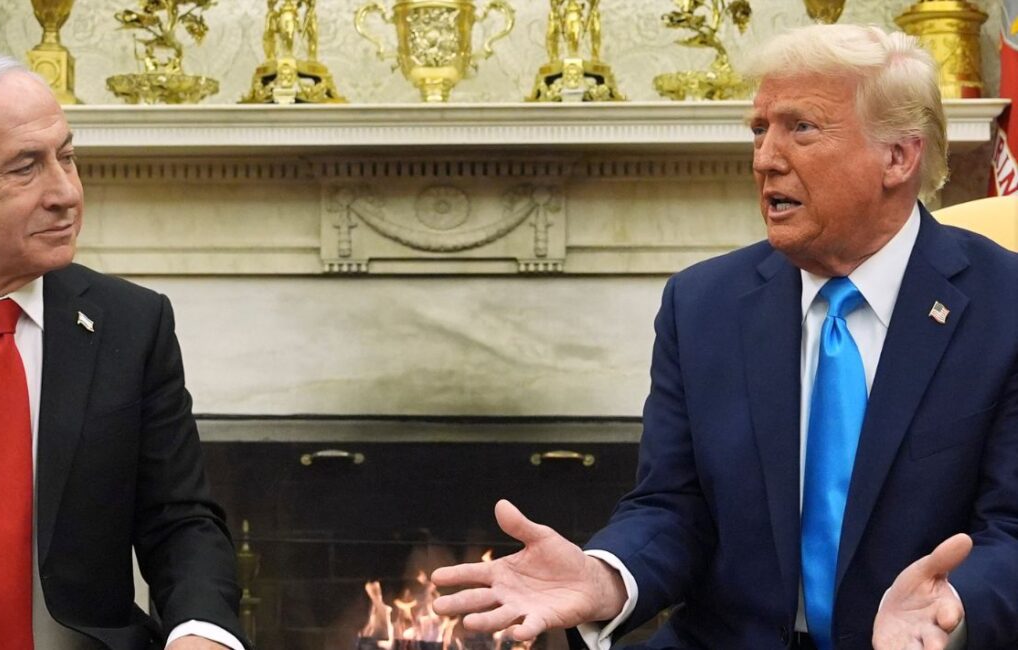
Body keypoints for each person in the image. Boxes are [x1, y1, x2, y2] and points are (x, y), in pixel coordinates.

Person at [431, 23, 1018, 650]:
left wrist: (953, 608)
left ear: (898, 157)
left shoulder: (1003, 305)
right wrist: (607, 577)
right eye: (760, 129)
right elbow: (673, 506)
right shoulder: (702, 304)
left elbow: (1011, 528)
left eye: (801, 128)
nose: (766, 158)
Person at [0, 52, 250, 649]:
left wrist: (202, 631)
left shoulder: (131, 324)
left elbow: (179, 520)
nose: (66, 193)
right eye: (25, 167)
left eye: (67, 156)